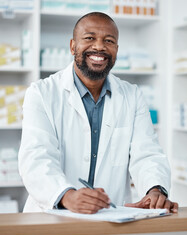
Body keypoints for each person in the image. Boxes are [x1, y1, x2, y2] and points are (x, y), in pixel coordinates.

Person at [18, 12, 178, 214]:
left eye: (108, 41)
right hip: (52, 217)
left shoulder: (132, 96)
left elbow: (147, 153)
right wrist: (67, 195)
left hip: (111, 217)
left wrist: (155, 189)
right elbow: (35, 158)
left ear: (116, 50)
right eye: (89, 38)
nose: (99, 46)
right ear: (72, 46)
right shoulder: (41, 93)